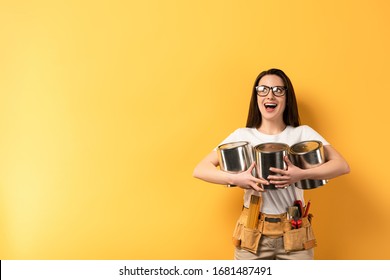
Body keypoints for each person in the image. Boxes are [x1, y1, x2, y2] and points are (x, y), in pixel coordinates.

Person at [193, 68, 350, 260]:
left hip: (294, 232)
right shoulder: (243, 136)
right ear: (256, 96)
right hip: (252, 232)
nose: (270, 95)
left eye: (278, 90)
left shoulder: (302, 134)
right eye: (263, 89)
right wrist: (236, 179)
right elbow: (200, 169)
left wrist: (300, 174)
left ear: (287, 97)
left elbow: (341, 165)